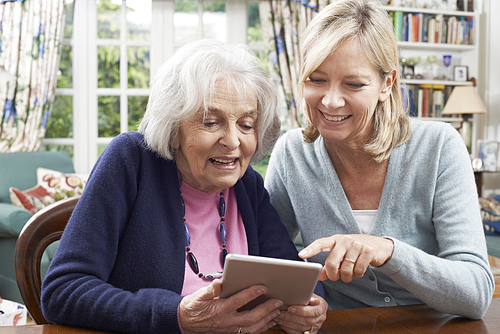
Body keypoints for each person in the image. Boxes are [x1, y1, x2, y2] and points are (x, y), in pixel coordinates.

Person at [41, 39, 327, 334]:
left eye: (245, 124)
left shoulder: (246, 184)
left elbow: (296, 277)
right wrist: (176, 316)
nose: (232, 141)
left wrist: (308, 307)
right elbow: (63, 291)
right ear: (173, 129)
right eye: (211, 122)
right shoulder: (131, 162)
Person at [264, 0, 494, 320]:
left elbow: (476, 293)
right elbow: (269, 260)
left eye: (354, 84)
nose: (330, 101)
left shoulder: (439, 147)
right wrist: (302, 303)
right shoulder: (292, 153)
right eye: (316, 80)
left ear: (387, 84)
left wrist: (387, 251)